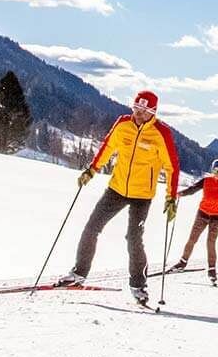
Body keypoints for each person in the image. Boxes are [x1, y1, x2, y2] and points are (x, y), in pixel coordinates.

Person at [56, 90, 178, 305]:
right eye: (135, 109)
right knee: (92, 227)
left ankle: (138, 285)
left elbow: (172, 167)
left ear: (153, 112)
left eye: (143, 111)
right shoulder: (123, 124)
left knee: (133, 239)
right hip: (116, 188)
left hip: (142, 195)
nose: (137, 114)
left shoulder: (161, 133)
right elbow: (107, 147)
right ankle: (78, 273)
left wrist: (171, 197)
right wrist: (92, 170)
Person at [171, 158, 218, 282]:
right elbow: (192, 189)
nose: (217, 172)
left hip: (217, 217)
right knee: (192, 238)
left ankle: (212, 270)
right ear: (212, 170)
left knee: (211, 242)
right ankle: (182, 262)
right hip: (202, 214)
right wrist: (181, 193)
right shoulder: (206, 180)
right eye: (215, 170)